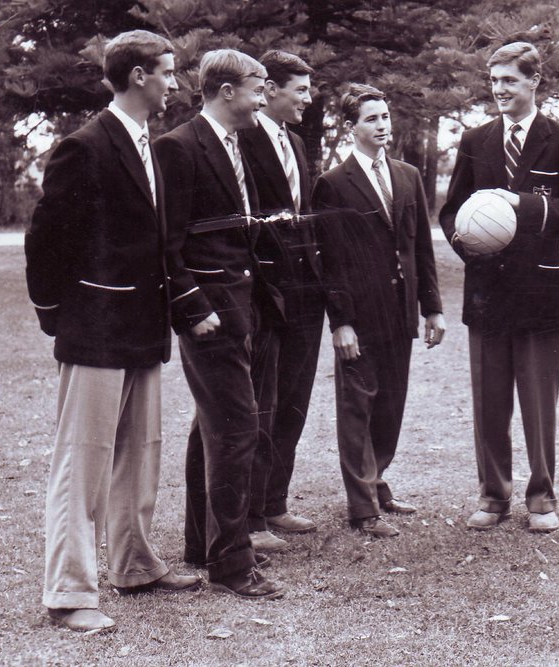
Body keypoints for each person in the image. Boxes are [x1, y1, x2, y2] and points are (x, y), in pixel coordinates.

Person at [25, 30, 199, 633]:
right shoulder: (84, 147)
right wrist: (58, 313)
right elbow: (47, 240)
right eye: (168, 73)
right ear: (139, 77)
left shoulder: (151, 145)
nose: (176, 84)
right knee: (83, 461)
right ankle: (69, 592)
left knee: (140, 453)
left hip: (144, 326)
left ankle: (134, 564)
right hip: (95, 328)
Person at [439, 42, 559, 534]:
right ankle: (493, 495)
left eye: (509, 80)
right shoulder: (475, 139)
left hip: (538, 290)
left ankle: (542, 496)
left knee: (537, 401)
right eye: (494, 81)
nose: (500, 89)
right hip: (486, 289)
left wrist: (519, 207)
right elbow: (451, 213)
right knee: (489, 401)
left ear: (534, 82)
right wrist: (473, 244)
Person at [155, 49, 284, 598]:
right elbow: (166, 243)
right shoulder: (178, 147)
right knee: (235, 429)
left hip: (244, 303)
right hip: (210, 314)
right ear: (227, 90)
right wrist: (194, 307)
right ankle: (233, 565)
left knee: (212, 428)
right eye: (259, 87)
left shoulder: (242, 143)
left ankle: (200, 545)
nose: (265, 97)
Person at [312, 83, 445, 538]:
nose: (382, 125)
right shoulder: (332, 184)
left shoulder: (407, 176)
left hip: (400, 313)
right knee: (357, 408)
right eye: (371, 118)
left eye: (385, 116)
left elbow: (420, 247)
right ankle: (362, 506)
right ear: (351, 128)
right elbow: (330, 260)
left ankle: (377, 480)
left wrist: (433, 309)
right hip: (360, 317)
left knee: (390, 405)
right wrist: (341, 322)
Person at [238, 50, 323, 552]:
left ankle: (275, 503)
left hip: (306, 291)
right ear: (270, 90)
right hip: (265, 292)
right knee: (260, 403)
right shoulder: (242, 141)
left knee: (293, 400)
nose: (308, 101)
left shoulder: (296, 142)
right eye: (301, 90)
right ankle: (249, 517)